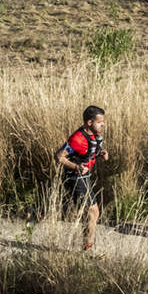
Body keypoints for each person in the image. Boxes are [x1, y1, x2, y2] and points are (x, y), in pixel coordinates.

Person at [56, 104, 107, 253]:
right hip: (75, 178)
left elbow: (87, 153)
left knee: (72, 209)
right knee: (92, 211)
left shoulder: (94, 135)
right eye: (99, 122)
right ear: (89, 122)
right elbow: (59, 156)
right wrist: (76, 167)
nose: (103, 125)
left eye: (103, 121)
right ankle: (87, 248)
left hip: (85, 177)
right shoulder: (77, 139)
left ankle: (37, 212)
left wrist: (100, 154)